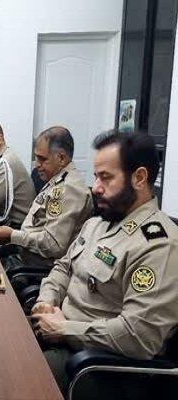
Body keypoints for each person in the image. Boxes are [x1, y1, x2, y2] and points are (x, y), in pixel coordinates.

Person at [31, 131, 178, 394]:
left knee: (9, 377)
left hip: (94, 366)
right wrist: (46, 300)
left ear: (139, 178)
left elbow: (138, 336)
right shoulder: (98, 223)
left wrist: (65, 329)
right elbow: (63, 267)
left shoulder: (159, 244)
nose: (96, 187)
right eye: (96, 176)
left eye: (106, 177)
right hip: (57, 332)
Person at [0, 126, 93, 269]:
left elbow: (53, 245)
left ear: (61, 158)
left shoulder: (69, 189)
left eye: (42, 159)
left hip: (39, 267)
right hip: (26, 255)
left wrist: (13, 235)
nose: (37, 165)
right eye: (36, 158)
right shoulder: (56, 179)